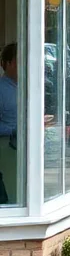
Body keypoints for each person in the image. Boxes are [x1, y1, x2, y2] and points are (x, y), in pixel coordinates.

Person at [0, 44, 18, 204]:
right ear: (8, 63)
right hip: (7, 151)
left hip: (23, 151)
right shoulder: (1, 90)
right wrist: (14, 129)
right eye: (19, 60)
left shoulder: (26, 88)